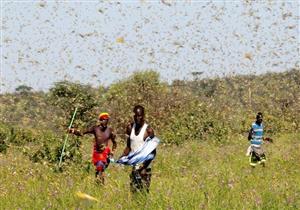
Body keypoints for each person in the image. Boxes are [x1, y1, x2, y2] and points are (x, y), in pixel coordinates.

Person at [69, 112, 117, 184]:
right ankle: (99, 185)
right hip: (97, 153)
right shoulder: (95, 128)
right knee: (98, 170)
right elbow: (82, 132)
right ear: (100, 120)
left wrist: (112, 152)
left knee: (100, 167)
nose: (105, 121)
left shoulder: (110, 130)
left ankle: (100, 185)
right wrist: (73, 131)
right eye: (103, 120)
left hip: (105, 153)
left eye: (107, 120)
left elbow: (115, 143)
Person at [120, 105, 156, 193]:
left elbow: (153, 152)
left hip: (145, 169)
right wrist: (122, 157)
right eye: (135, 115)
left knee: (143, 194)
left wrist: (144, 166)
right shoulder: (130, 128)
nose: (137, 118)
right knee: (133, 193)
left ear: (143, 116)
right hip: (134, 168)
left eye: (139, 115)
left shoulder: (149, 130)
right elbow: (129, 147)